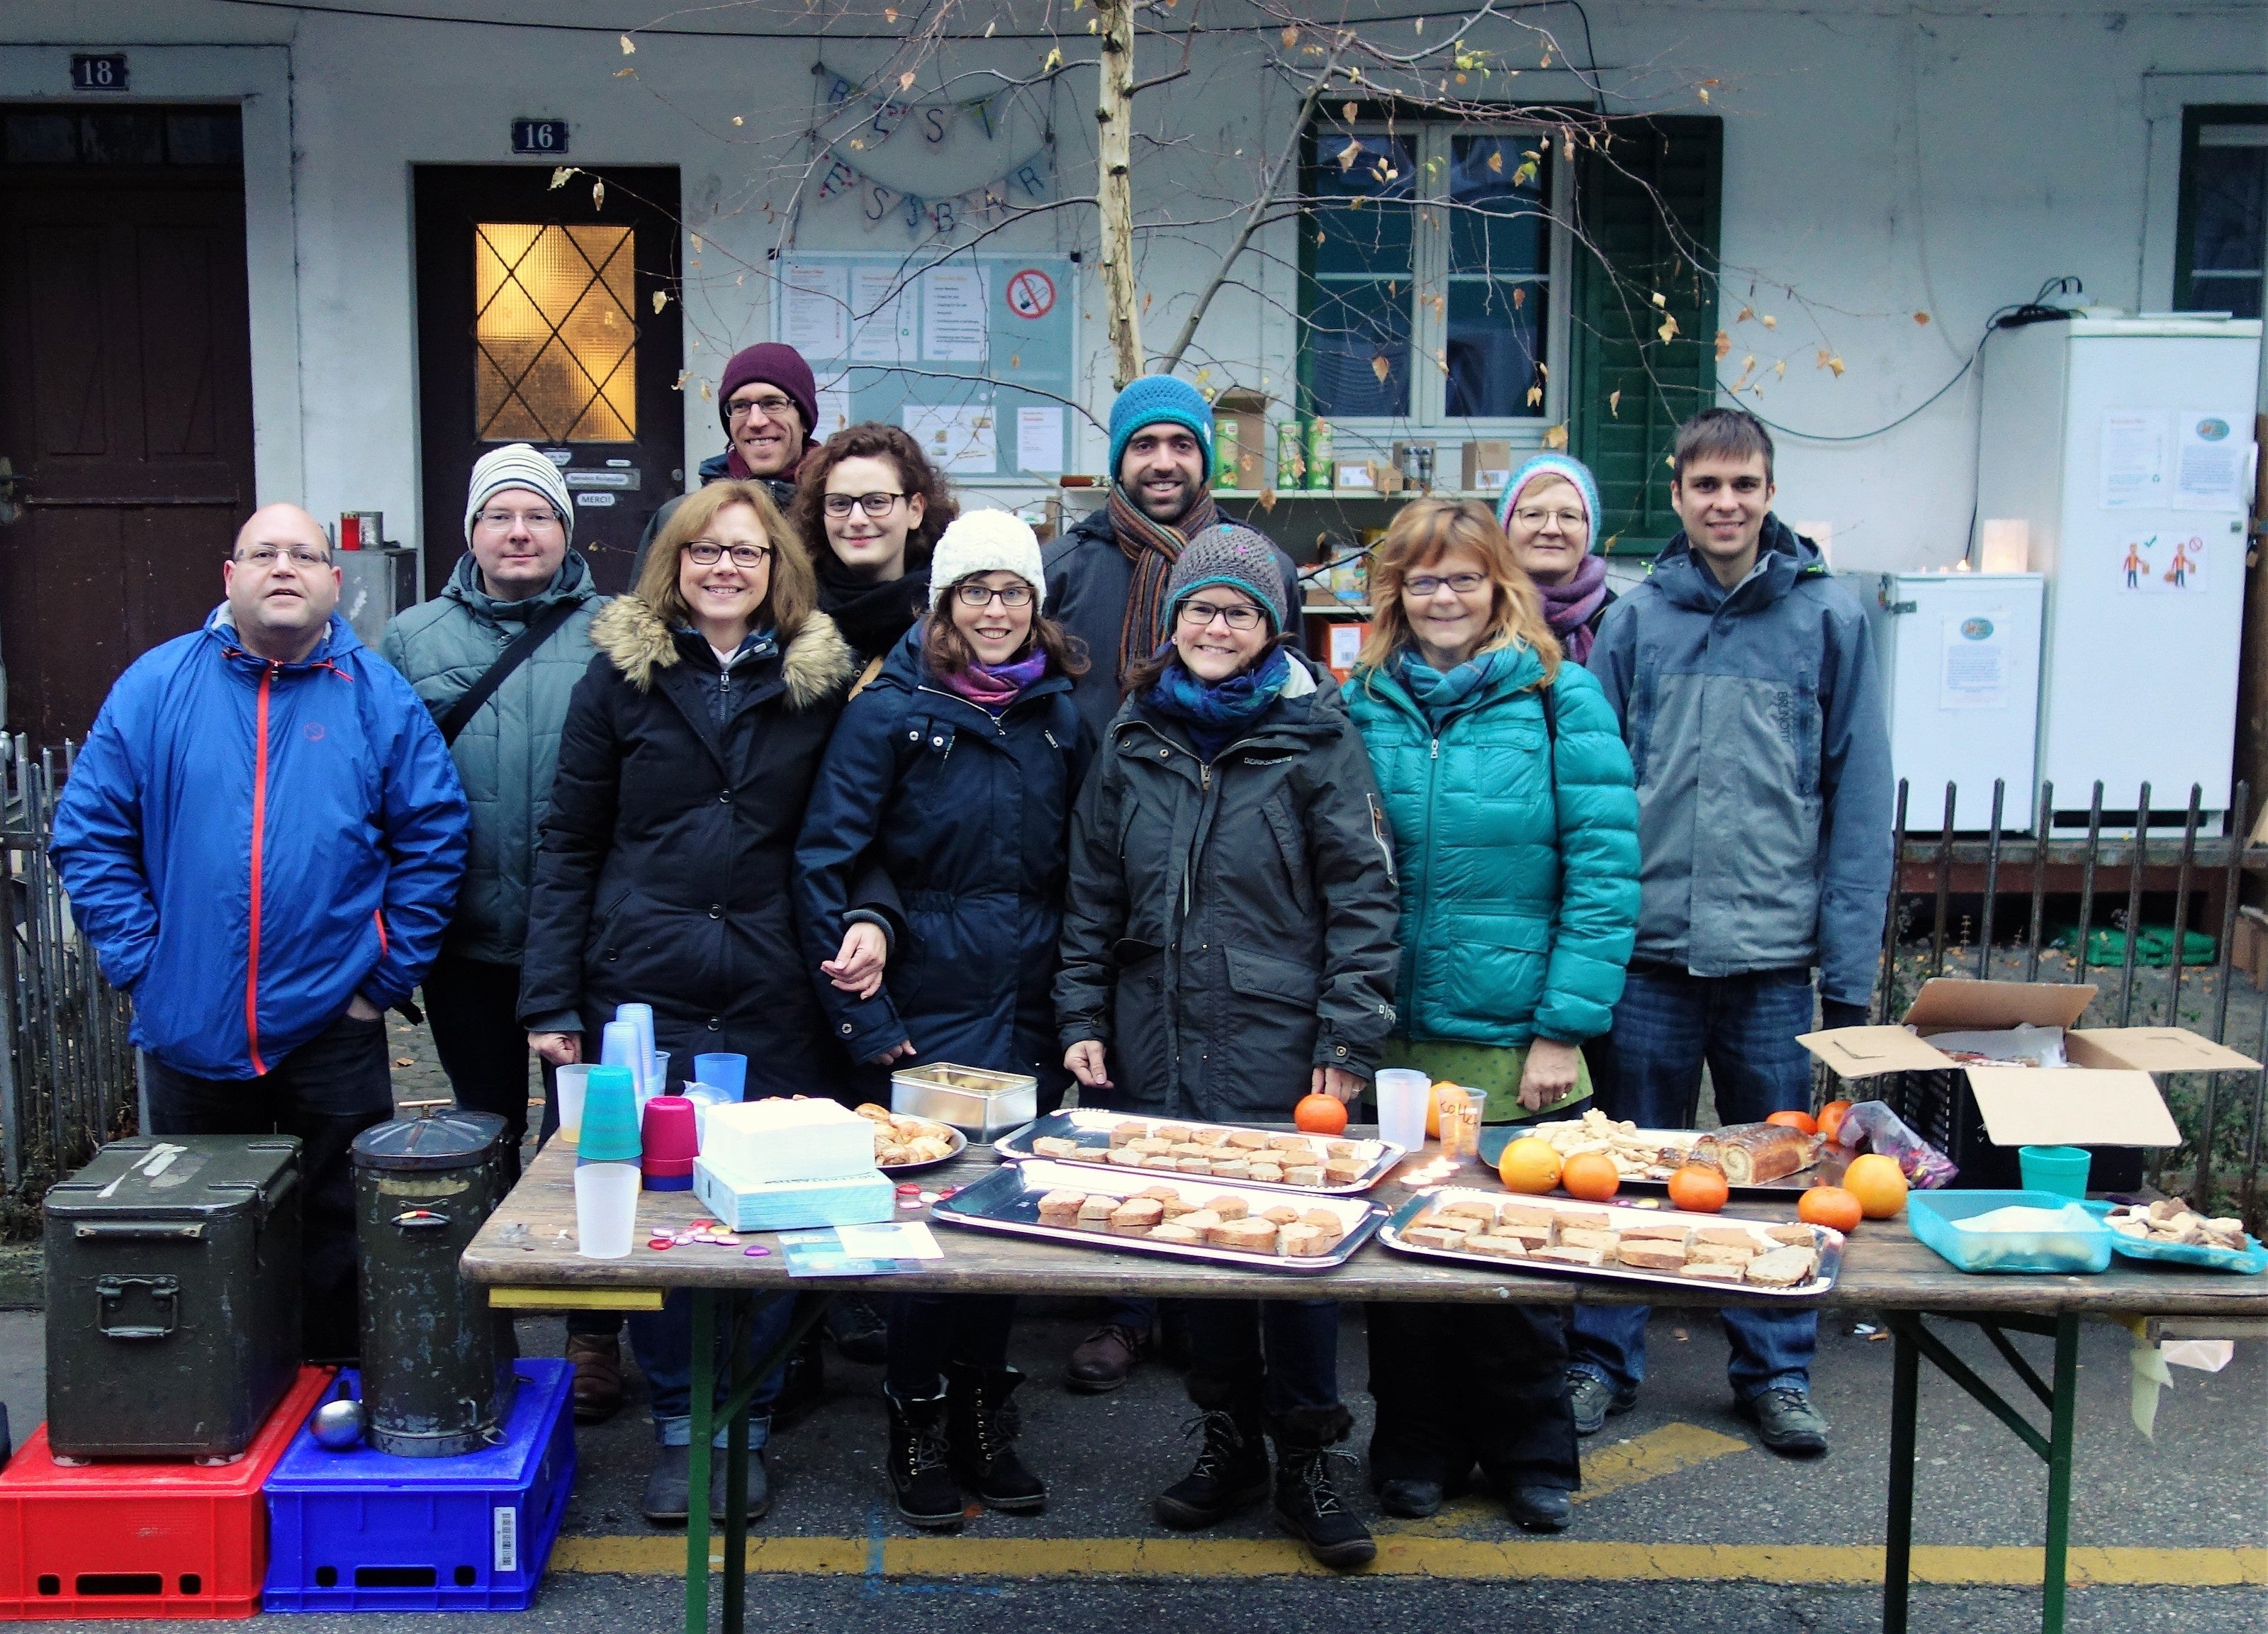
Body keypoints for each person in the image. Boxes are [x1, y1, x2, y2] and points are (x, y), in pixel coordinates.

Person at [1055, 527, 1400, 1571]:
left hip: (1278, 1038)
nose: (1215, 626)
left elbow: (1364, 894)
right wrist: (1080, 1016)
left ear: (1270, 629)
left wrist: (1348, 1033)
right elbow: (1091, 893)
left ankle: (1307, 1454)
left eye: (1238, 612)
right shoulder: (1131, 737)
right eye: (1200, 609)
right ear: (1173, 624)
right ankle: (1227, 1443)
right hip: (1155, 1035)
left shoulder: (1316, 737)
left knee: (1293, 1250)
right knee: (1192, 1249)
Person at [51, 503, 468, 1362]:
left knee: (337, 1238)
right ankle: (212, 1405)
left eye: (304, 555)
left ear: (334, 584)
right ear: (230, 575)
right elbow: (89, 834)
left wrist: (380, 982)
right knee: (201, 1237)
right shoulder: (156, 686)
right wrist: (144, 963)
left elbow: (434, 838)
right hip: (191, 1028)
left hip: (331, 1027)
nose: (284, 567)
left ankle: (330, 1411)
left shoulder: (377, 697)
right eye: (264, 552)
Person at [520, 479, 858, 1522]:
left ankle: (743, 1427)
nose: (724, 569)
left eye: (746, 555)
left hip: (773, 984)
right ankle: (680, 1427)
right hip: (645, 984)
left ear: (777, 572)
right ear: (673, 563)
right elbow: (569, 842)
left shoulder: (821, 686)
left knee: (760, 1214)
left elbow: (855, 833)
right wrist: (551, 997)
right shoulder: (619, 680)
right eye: (705, 551)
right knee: (668, 1218)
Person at [1569, 408, 1893, 1458]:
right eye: (1707, 485)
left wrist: (1847, 980)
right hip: (1650, 954)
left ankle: (1777, 1370)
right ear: (1676, 494)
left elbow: (1858, 803)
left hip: (1769, 964)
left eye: (1745, 485)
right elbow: (1597, 796)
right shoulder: (1637, 621)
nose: (1727, 503)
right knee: (1628, 1170)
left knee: (1780, 1178)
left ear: (1769, 492)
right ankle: (1602, 1357)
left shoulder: (1828, 619)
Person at [1341, 499, 1638, 1532]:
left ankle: (1530, 1453)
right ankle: (1416, 1446)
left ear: (1501, 585)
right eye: (1422, 579)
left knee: (1517, 1261)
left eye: (1464, 576)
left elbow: (1604, 872)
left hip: (1519, 1039)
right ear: (1396, 595)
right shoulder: (1361, 704)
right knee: (1406, 1263)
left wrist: (1563, 1023)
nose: (1443, 597)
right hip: (1395, 1037)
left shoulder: (1562, 701)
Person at [795, 510, 1085, 1528]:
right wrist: (870, 1028)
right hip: (926, 1012)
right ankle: (915, 1422)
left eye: (1014, 592)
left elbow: (1084, 875)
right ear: (944, 604)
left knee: (1002, 1223)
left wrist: (1076, 1010)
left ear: (1036, 606)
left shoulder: (1061, 717)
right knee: (924, 1236)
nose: (997, 610)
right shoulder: (890, 714)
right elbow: (827, 861)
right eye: (977, 591)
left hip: (1032, 1009)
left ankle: (982, 1419)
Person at [1038, 373, 1299, 1391]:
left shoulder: (1256, 566)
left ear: (1205, 459)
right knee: (1121, 1093)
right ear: (1119, 459)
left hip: (1227, 852)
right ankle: (1128, 1299)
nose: (1161, 462)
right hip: (1102, 844)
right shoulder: (1070, 567)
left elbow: (1295, 703)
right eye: (1142, 444)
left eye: (1179, 446)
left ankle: (1211, 1304)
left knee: (1214, 1090)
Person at [630, 342, 819, 582]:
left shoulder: (840, 515)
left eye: (772, 403)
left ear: (804, 418)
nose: (756, 421)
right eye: (740, 406)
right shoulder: (677, 520)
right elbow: (645, 613)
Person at [787, 423, 958, 672]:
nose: (857, 520)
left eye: (876, 502)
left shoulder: (953, 618)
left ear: (915, 510)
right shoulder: (788, 614)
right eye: (839, 504)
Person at [1498, 452, 1616, 664]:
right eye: (1533, 515)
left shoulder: (1620, 621)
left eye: (1568, 516)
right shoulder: (1478, 613)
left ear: (1589, 531)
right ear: (1506, 528)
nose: (1551, 529)